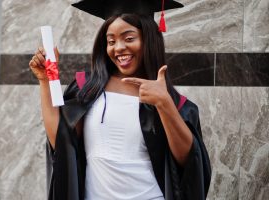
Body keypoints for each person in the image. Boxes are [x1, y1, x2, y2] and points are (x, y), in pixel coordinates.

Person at [29, 0, 211, 200]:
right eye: (111, 41)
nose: (119, 48)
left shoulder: (173, 102)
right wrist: (45, 81)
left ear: (149, 39)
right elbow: (61, 142)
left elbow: (189, 161)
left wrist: (164, 104)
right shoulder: (88, 88)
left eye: (129, 38)